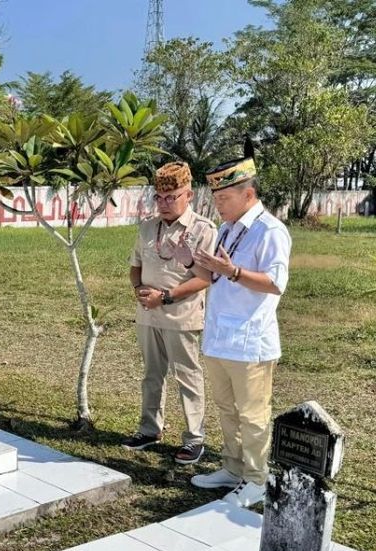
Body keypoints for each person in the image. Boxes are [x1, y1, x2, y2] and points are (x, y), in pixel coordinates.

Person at [182, 154, 292, 507]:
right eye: (215, 199)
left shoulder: (270, 231)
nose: (218, 206)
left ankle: (257, 478)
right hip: (219, 337)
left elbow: (276, 283)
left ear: (248, 194)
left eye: (224, 199)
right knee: (226, 409)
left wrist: (233, 272)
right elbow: (216, 274)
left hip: (249, 341)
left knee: (253, 414)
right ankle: (232, 467)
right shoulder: (229, 229)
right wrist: (194, 260)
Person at [124, 162, 217, 465]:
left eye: (171, 197)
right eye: (159, 197)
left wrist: (164, 297)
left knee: (187, 376)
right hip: (148, 314)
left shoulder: (202, 229)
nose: (164, 204)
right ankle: (149, 429)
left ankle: (194, 439)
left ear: (188, 195)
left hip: (182, 316)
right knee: (152, 374)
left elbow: (204, 278)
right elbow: (136, 264)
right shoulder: (148, 227)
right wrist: (138, 288)